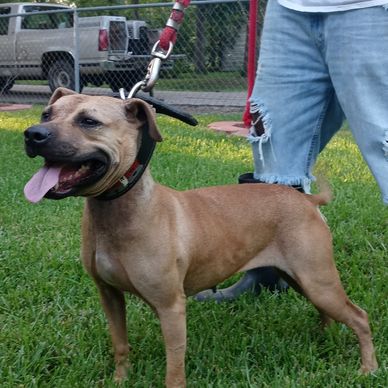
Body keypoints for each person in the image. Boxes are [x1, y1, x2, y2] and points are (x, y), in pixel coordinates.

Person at [196, 0, 388, 302]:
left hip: (371, 9)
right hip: (288, 10)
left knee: (384, 137)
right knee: (273, 143)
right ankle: (269, 271)